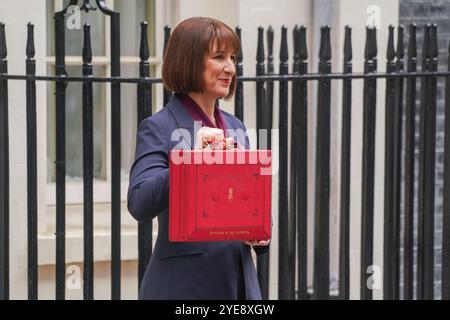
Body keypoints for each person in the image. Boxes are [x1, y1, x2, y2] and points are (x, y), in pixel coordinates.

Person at [127, 16, 269, 300]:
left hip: (240, 286)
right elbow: (139, 203)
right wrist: (192, 161)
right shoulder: (159, 126)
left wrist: (261, 235)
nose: (230, 67)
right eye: (219, 57)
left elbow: (248, 203)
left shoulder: (237, 126)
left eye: (232, 57)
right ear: (189, 61)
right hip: (183, 287)